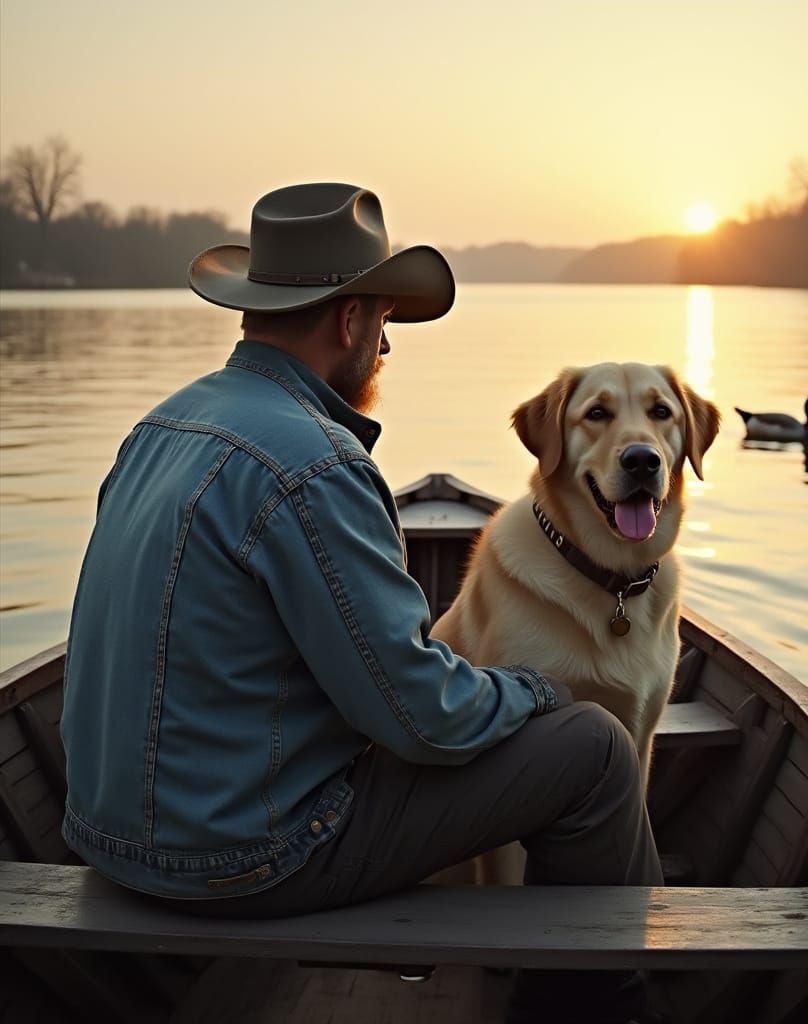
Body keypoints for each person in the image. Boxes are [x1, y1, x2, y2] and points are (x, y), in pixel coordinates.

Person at [59, 182, 664, 1023]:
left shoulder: (158, 428)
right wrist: (536, 690)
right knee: (595, 750)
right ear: (349, 321)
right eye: (384, 323)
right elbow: (421, 716)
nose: (385, 347)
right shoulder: (319, 464)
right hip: (244, 860)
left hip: (104, 840)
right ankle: (591, 1009)